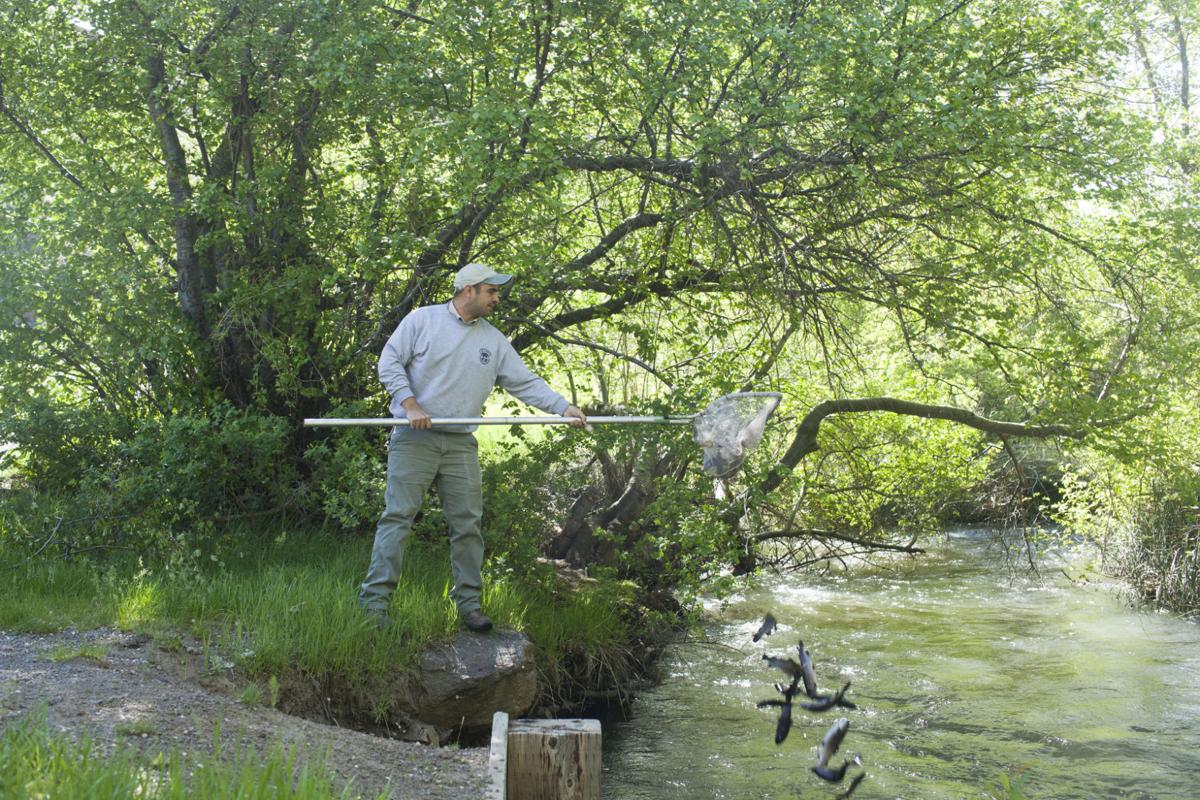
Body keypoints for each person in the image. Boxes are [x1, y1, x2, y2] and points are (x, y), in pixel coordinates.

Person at [359, 262, 587, 633]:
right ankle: (374, 606)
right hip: (414, 437)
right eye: (491, 291)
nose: (497, 298)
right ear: (469, 291)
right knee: (398, 519)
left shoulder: (493, 340)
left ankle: (468, 606)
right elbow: (389, 362)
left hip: (460, 443)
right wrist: (409, 403)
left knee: (467, 526)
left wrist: (563, 407)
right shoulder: (422, 321)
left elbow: (525, 383)